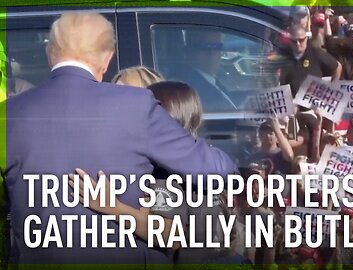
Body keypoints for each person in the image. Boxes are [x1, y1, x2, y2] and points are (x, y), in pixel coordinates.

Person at [2, 12, 237, 265]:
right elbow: (217, 172)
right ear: (107, 58)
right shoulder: (136, 105)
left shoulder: (8, 114)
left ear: (50, 53)